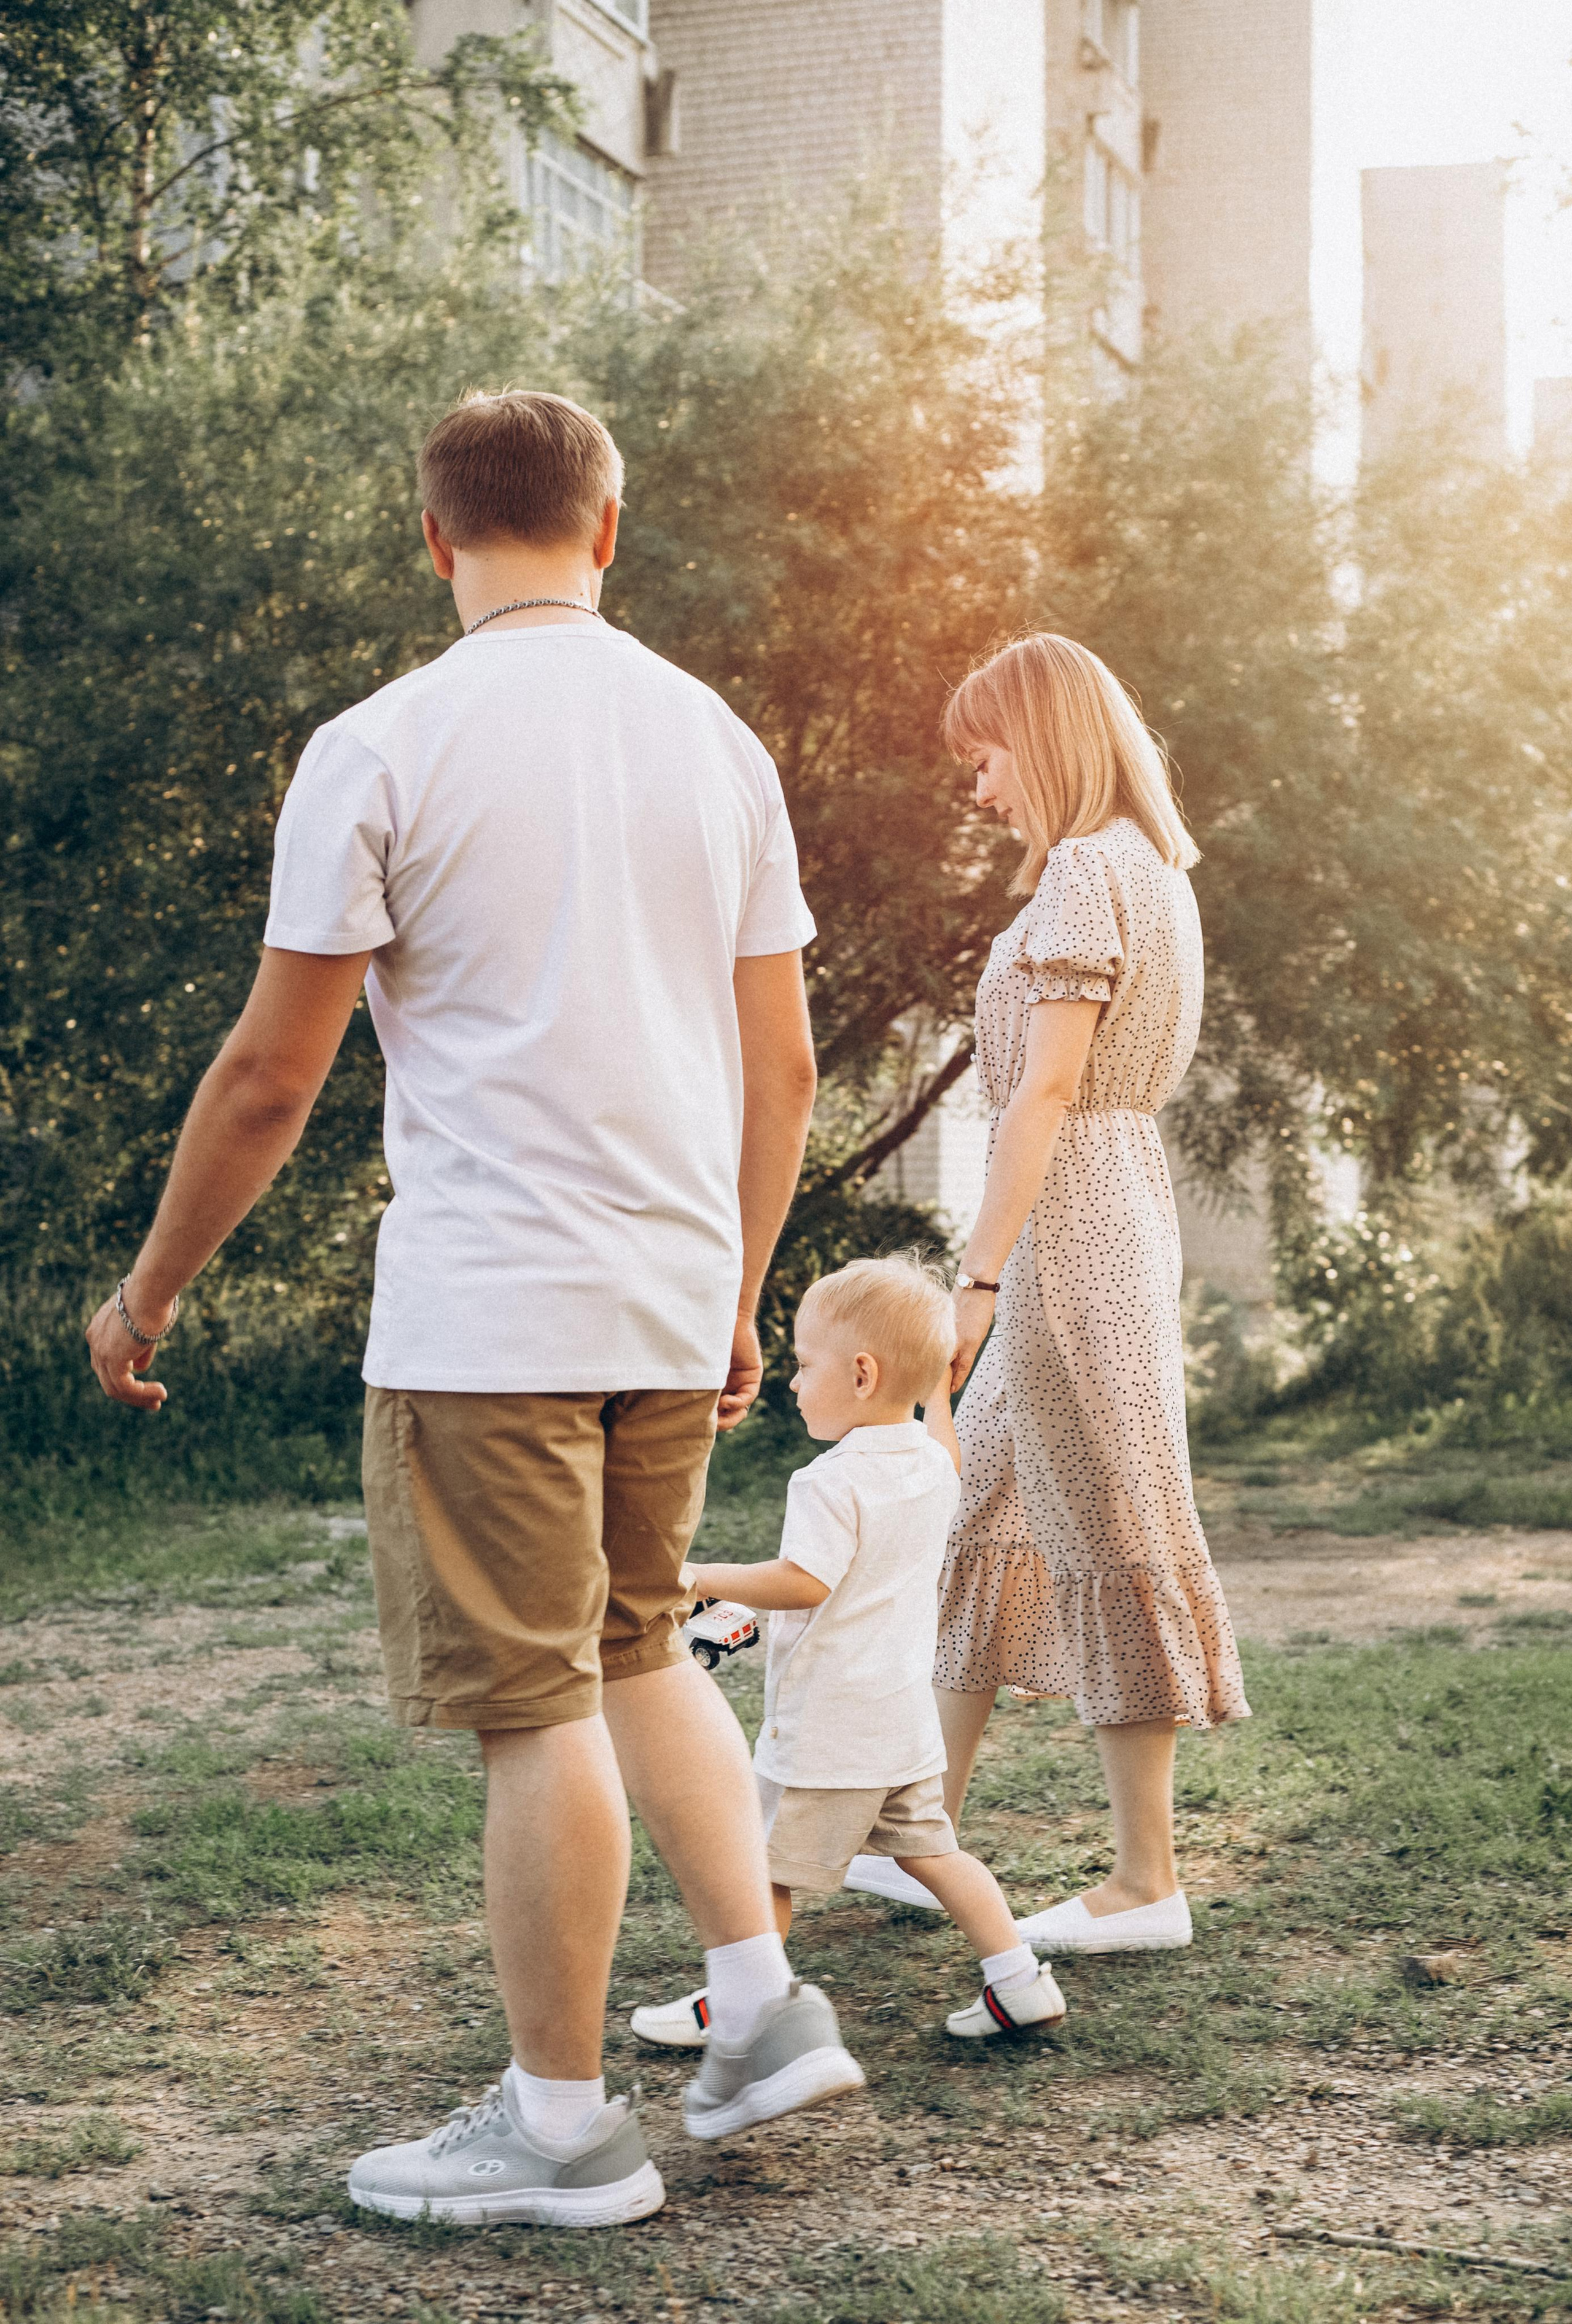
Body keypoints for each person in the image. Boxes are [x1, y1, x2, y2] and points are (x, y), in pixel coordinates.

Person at [85, 389, 862, 2228]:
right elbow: (788, 1065)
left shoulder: (382, 742)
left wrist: (151, 1286)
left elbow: (275, 1072)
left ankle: (563, 2122)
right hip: (671, 1289)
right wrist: (741, 1289)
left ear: (433, 538)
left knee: (538, 1705)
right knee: (638, 1646)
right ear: (611, 529)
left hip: (495, 1313)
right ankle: (759, 2009)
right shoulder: (715, 739)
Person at [848, 634, 1250, 1949]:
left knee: (1110, 1528)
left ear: (1048, 737)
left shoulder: (1086, 870)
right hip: (1103, 1217)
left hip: (1069, 1236)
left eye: (985, 757)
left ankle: (1146, 1885)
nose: (978, 790)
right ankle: (920, 1836)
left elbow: (1049, 1088)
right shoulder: (1151, 870)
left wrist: (972, 1277)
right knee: (979, 1521)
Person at [630, 1255, 1067, 2069]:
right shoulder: (934, 1463)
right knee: (935, 1853)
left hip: (828, 1726)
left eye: (803, 1363)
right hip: (900, 1719)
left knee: (760, 1867)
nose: (793, 1383)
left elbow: (803, 1583)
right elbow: (927, 1454)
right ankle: (1018, 1978)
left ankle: (739, 2004)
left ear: (862, 1373)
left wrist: (693, 1577)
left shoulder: (829, 1481)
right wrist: (937, 1386)